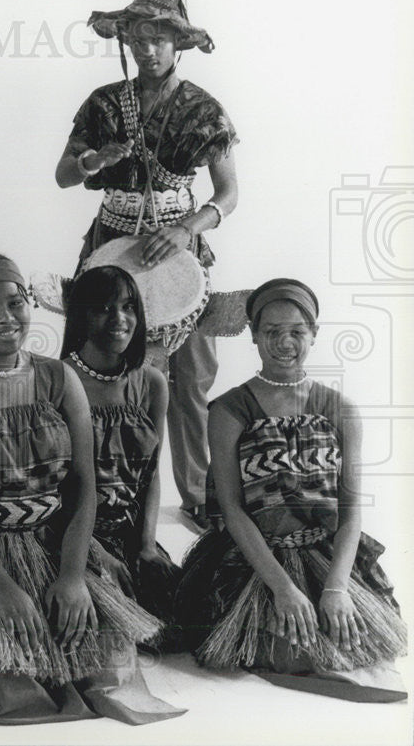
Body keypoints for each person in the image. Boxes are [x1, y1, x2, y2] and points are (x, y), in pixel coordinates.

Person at [0, 249, 185, 725]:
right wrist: (3, 590)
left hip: (48, 538)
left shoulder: (58, 376)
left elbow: (84, 486)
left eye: (16, 302)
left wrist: (70, 576)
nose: (6, 318)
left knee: (106, 668)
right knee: (7, 684)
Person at [55, 0, 238, 531]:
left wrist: (187, 229)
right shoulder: (105, 103)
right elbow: (64, 175)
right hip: (112, 243)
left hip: (180, 246)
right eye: (137, 37)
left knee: (193, 374)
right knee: (108, 372)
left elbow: (228, 195)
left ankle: (199, 494)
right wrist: (95, 160)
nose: (147, 48)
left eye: (158, 38)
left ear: (177, 43)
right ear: (126, 41)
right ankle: (110, 495)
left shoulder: (204, 109)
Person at [175, 279, 408, 702]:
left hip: (323, 553)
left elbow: (351, 508)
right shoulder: (229, 409)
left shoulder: (340, 408)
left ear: (314, 334)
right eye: (271, 331)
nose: (285, 342)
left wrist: (336, 587)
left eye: (297, 331)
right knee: (280, 647)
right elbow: (231, 508)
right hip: (254, 559)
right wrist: (282, 588)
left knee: (348, 642)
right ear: (253, 335)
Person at [60, 265, 181, 641]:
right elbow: (53, 490)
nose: (120, 319)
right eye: (104, 308)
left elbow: (151, 475)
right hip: (69, 533)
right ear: (81, 314)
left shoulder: (151, 383)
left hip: (127, 533)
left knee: (183, 621)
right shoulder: (56, 380)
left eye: (129, 307)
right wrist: (95, 554)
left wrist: (146, 545)